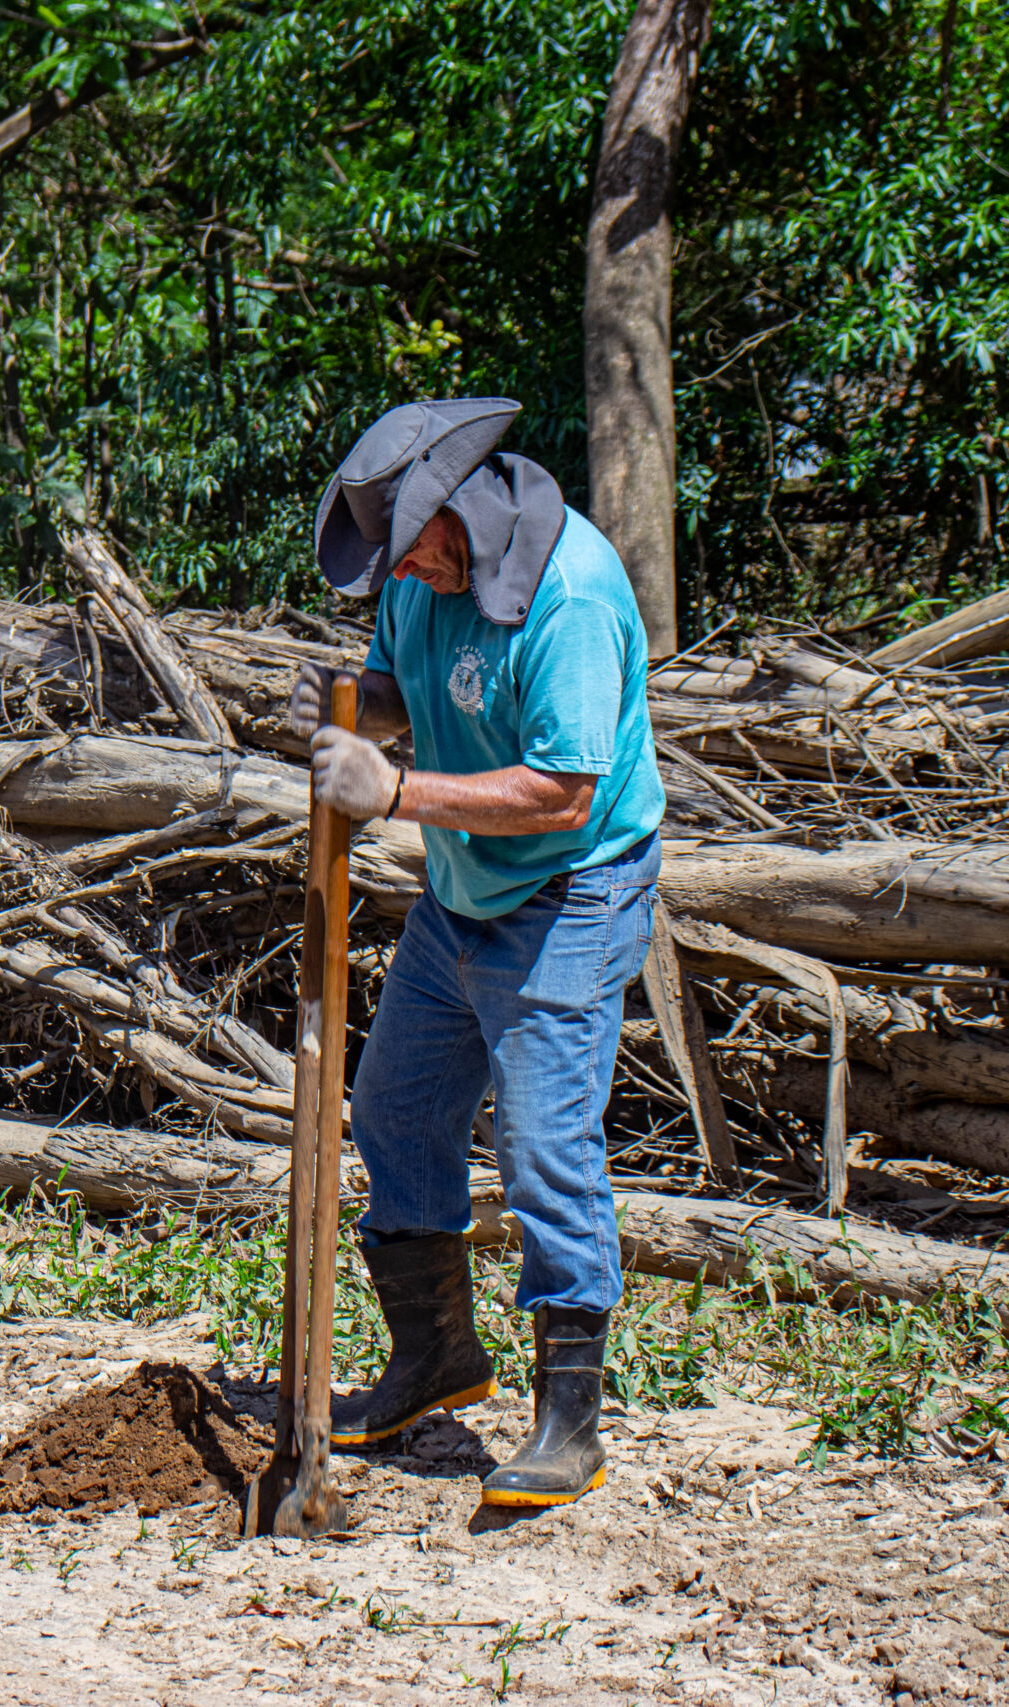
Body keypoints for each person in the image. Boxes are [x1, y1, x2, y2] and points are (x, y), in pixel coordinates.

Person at [287, 397, 663, 1508]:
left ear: (456, 511)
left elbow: (560, 789)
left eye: (410, 554)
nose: (399, 580)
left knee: (544, 1145)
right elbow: (419, 694)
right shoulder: (424, 579)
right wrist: (358, 705)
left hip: (570, 888)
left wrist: (392, 789)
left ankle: (568, 1425)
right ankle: (435, 1358)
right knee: (396, 1106)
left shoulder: (573, 596)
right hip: (462, 888)